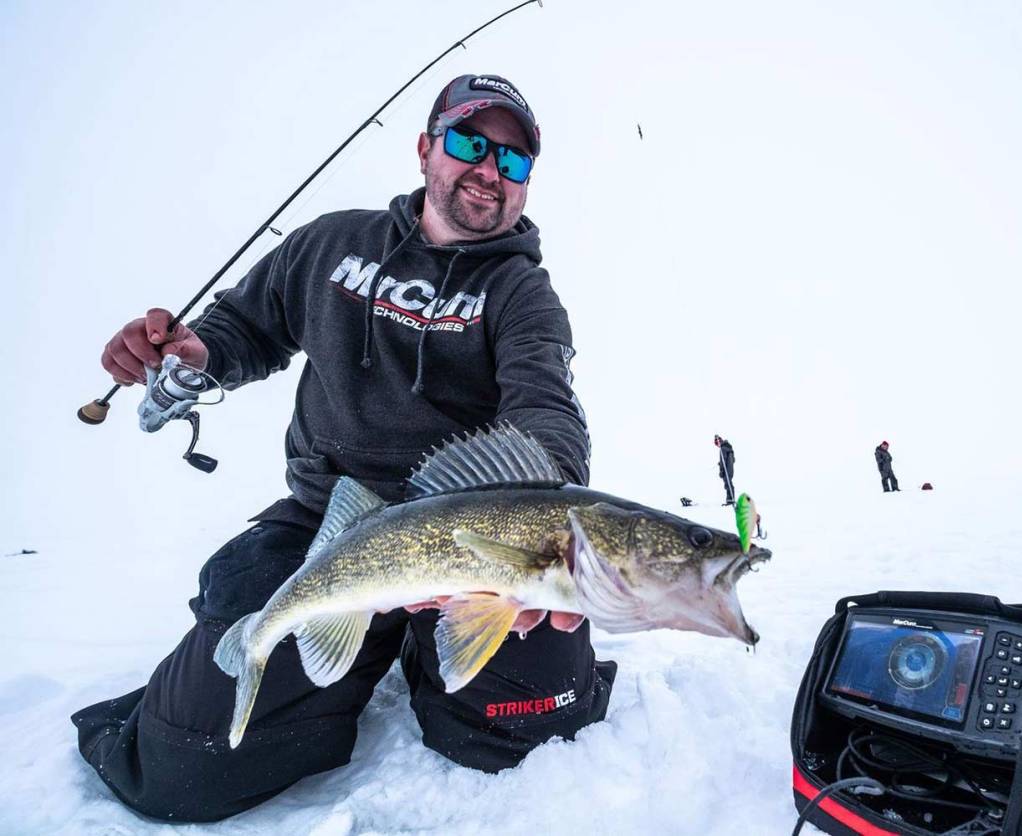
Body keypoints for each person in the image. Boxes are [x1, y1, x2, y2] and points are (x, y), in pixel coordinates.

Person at [74, 73, 615, 823]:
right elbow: (243, 330)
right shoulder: (330, 244)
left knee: (530, 727)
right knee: (185, 765)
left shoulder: (522, 295)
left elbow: (547, 408)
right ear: (426, 149)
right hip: (331, 518)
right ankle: (340, 649)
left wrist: (541, 529)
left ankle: (419, 646)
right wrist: (195, 352)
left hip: (468, 538)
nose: (490, 169)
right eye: (469, 143)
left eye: (514, 160)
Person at [714, 434, 736, 505]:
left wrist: (721, 470)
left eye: (717, 443)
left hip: (727, 470)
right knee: (728, 483)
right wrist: (721, 463)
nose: (717, 445)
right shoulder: (729, 448)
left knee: (728, 484)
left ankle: (730, 500)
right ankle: (730, 499)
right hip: (730, 469)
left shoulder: (723, 448)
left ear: (719, 441)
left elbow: (724, 459)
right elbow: (733, 460)